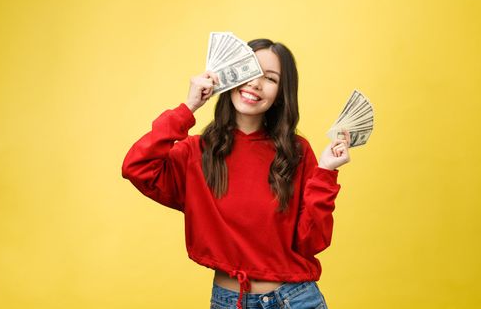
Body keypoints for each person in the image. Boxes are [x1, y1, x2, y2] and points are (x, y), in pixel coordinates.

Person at [121, 39, 351, 309]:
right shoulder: (197, 152)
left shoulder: (296, 152)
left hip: (296, 299)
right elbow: (136, 166)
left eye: (270, 79)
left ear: (280, 93)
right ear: (230, 74)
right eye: (249, 71)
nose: (255, 83)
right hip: (231, 301)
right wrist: (188, 108)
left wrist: (325, 172)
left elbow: (312, 241)